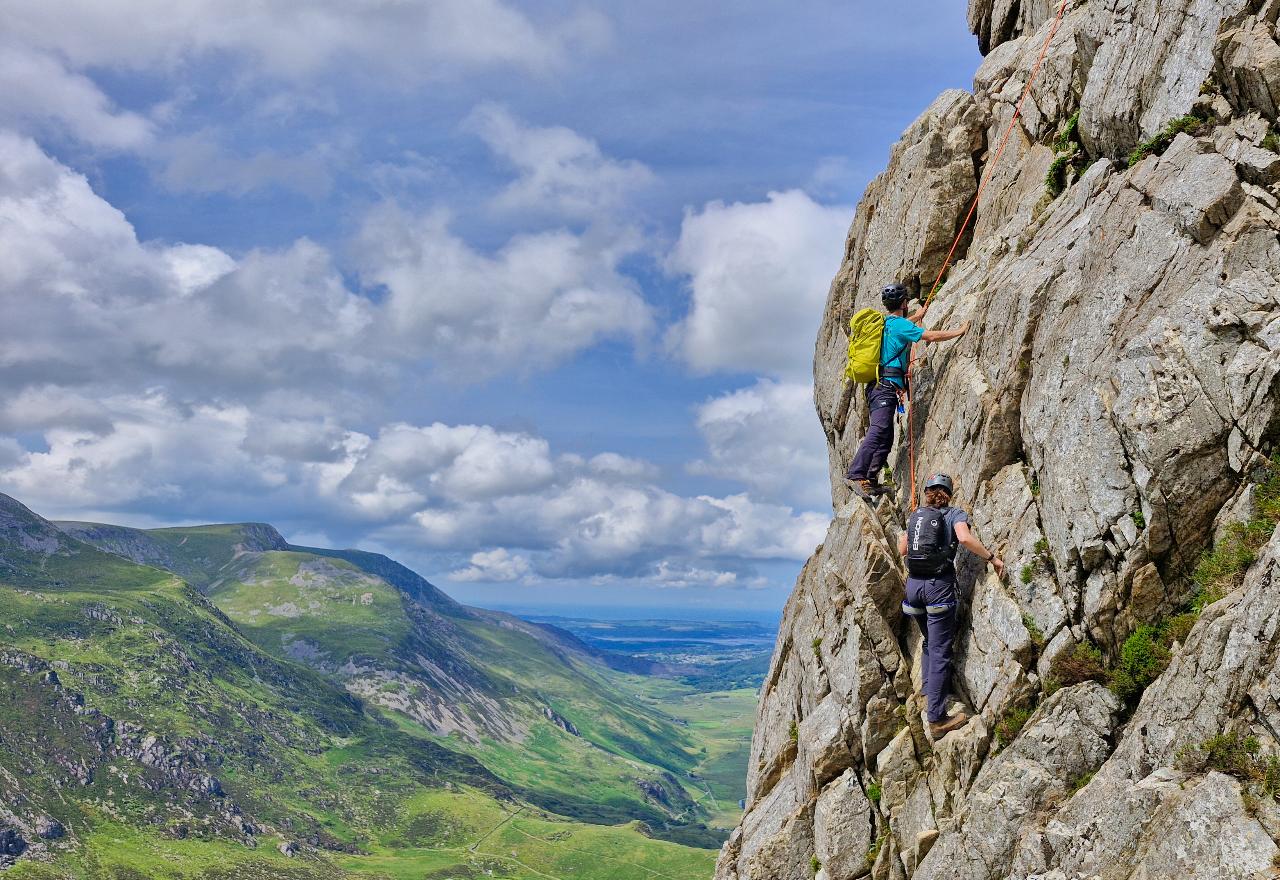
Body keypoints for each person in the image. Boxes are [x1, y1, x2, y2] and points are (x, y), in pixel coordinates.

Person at [897, 473, 1005, 738]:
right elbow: (965, 539)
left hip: (913, 589)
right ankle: (936, 719)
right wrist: (992, 558)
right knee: (941, 650)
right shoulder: (954, 514)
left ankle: (927, 690)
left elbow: (902, 550)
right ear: (949, 493)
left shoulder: (917, 516)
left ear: (928, 492)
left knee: (928, 641)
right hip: (938, 589)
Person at [845, 283, 970, 500]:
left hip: (878, 387)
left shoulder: (887, 323)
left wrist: (916, 315)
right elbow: (930, 336)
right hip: (885, 387)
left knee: (886, 436)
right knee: (879, 430)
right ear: (904, 303)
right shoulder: (899, 325)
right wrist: (959, 331)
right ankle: (856, 474)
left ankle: (871, 480)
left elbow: (901, 327)